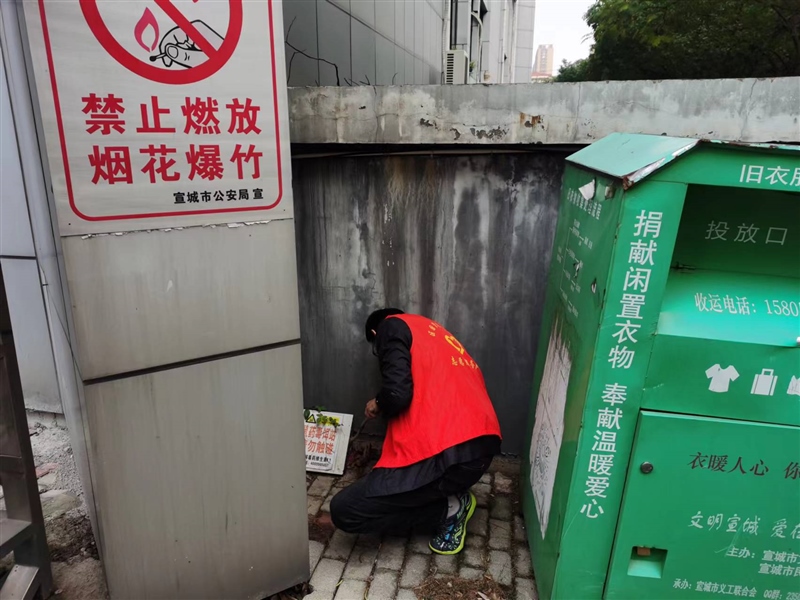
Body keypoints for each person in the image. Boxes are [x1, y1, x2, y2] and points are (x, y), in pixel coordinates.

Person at [330, 308, 502, 555]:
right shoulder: (434, 333)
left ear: (375, 333)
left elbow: (397, 394)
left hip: (448, 454)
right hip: (480, 448)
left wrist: (378, 402)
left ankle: (449, 509)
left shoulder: (391, 327)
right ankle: (447, 494)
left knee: (345, 510)